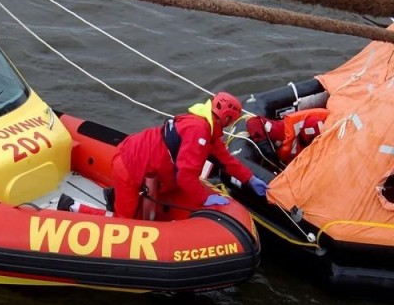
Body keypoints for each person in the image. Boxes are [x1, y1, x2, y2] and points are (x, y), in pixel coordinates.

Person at [57, 92, 269, 219]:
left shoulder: (206, 127)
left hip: (136, 155)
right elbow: (186, 176)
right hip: (130, 167)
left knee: (168, 189)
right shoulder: (199, 131)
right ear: (229, 118)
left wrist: (250, 179)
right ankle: (72, 206)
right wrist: (205, 198)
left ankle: (113, 197)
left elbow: (227, 160)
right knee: (124, 221)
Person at [246, 108, 328, 166]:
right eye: (312, 139)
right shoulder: (283, 130)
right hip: (277, 161)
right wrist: (263, 143)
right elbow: (253, 121)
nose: (314, 142)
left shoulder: (320, 147)